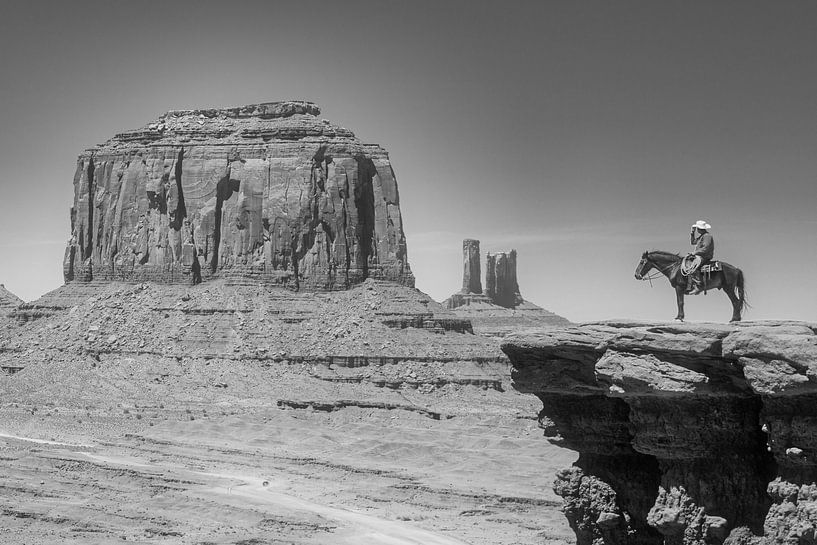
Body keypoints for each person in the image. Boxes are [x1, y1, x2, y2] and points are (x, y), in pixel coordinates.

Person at [686, 220, 714, 294]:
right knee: (687, 262)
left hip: (704, 256)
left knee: (693, 265)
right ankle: (690, 284)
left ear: (700, 229)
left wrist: (694, 252)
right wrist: (692, 233)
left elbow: (706, 248)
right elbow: (692, 242)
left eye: (697, 228)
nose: (697, 230)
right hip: (700, 255)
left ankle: (699, 285)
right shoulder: (702, 236)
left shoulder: (707, 236)